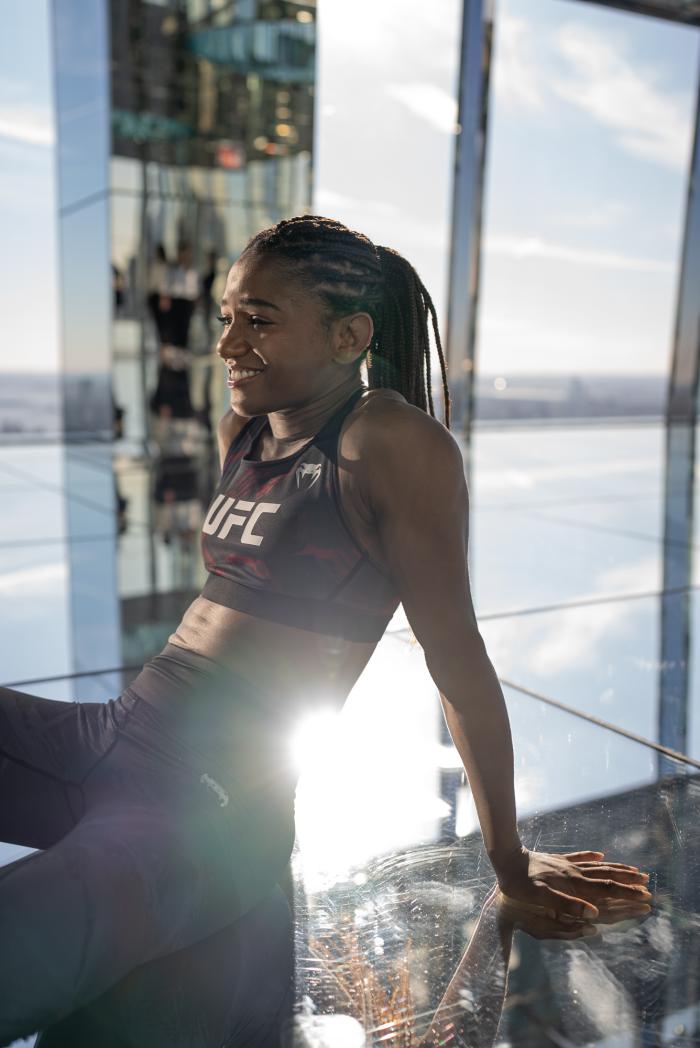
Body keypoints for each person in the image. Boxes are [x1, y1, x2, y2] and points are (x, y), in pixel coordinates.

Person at [0, 215, 652, 1044]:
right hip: (117, 735)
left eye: (259, 319)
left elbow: (460, 667)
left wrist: (509, 861)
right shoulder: (248, 430)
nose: (228, 341)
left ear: (349, 336)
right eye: (228, 316)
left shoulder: (389, 442)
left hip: (210, 806)